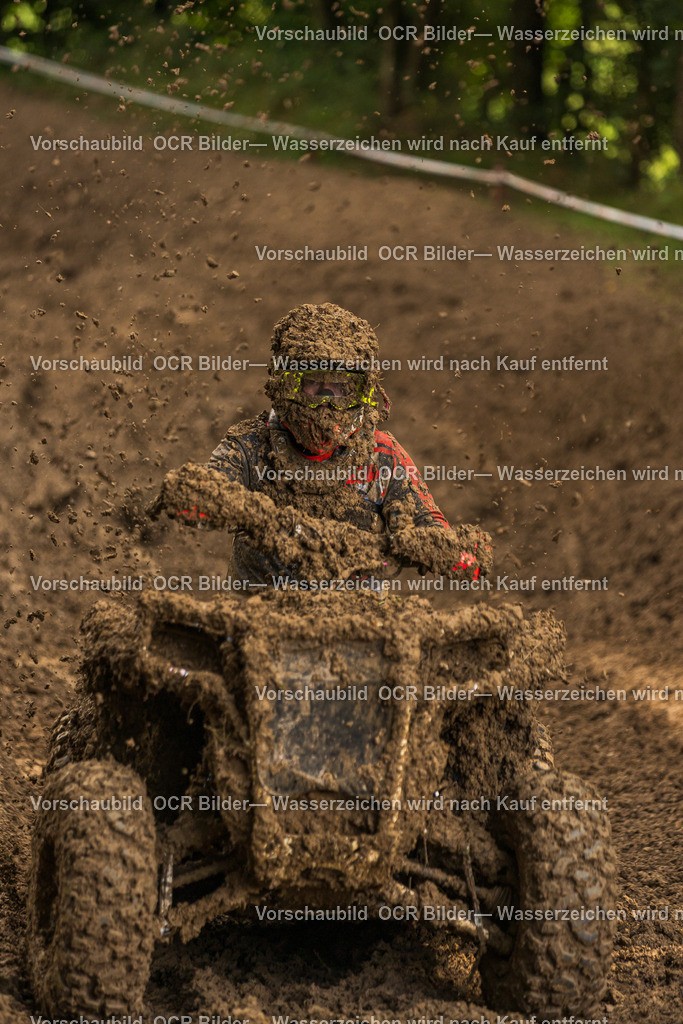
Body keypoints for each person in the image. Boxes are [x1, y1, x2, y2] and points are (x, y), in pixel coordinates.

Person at [202, 302, 485, 584]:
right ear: (283, 386)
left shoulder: (381, 455)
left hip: (357, 617)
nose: (325, 402)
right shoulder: (250, 447)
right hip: (257, 611)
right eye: (311, 384)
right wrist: (209, 501)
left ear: (365, 392)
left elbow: (431, 526)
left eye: (339, 388)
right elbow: (203, 492)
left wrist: (449, 553)